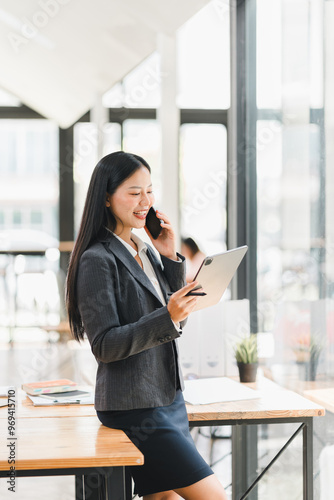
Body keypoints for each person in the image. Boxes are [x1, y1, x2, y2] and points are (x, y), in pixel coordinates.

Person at [66, 151, 228, 500]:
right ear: (106, 197)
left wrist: (170, 257)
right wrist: (167, 316)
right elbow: (105, 345)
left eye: (150, 191)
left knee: (164, 497)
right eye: (134, 192)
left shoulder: (145, 247)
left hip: (168, 397)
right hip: (134, 407)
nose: (146, 202)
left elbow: (170, 315)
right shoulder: (98, 258)